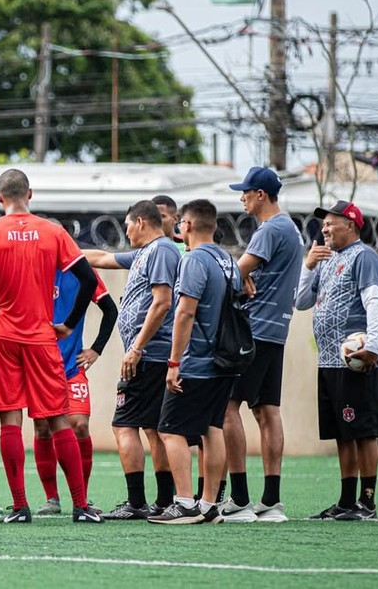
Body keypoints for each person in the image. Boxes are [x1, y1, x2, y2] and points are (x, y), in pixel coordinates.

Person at [0, 169, 101, 524]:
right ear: (30, 194)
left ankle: (21, 507)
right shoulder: (53, 232)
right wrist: (69, 324)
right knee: (58, 419)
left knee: (11, 420)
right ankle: (81, 507)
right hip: (42, 338)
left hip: (3, 337)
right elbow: (87, 279)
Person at [83, 200, 180, 520]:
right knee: (153, 428)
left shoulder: (162, 251)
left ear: (140, 222)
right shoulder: (144, 253)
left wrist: (136, 348)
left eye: (126, 225)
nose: (124, 231)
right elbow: (100, 257)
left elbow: (162, 303)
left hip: (149, 354)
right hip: (150, 354)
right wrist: (57, 248)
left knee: (123, 425)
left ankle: (137, 502)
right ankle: (165, 500)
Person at [220, 167, 303, 523]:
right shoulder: (292, 229)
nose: (242, 197)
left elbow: (235, 272)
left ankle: (238, 500)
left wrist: (236, 271)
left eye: (246, 192)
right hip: (276, 331)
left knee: (226, 409)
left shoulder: (270, 229)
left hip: (253, 330)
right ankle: (271, 502)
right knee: (267, 410)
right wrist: (245, 274)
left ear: (261, 195)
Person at [148, 199, 238, 525]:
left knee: (169, 430)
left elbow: (185, 311)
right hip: (225, 360)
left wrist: (174, 363)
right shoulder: (229, 260)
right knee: (212, 429)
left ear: (186, 225)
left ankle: (185, 503)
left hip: (197, 360)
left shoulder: (194, 260)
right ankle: (210, 504)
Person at [296, 201, 378, 521]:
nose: (325, 229)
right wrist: (307, 267)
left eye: (331, 223)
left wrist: (373, 345)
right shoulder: (327, 259)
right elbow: (302, 301)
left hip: (356, 360)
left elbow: (374, 299)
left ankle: (368, 502)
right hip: (329, 361)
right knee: (342, 432)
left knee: (363, 432)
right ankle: (346, 502)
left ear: (351, 225)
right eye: (324, 225)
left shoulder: (364, 256)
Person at [31, 266, 118, 514]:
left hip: (71, 368)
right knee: (43, 428)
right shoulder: (31, 269)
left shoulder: (82, 272)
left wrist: (96, 349)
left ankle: (83, 496)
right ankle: (52, 499)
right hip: (40, 367)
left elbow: (110, 309)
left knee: (79, 424)